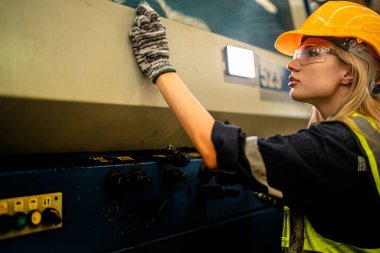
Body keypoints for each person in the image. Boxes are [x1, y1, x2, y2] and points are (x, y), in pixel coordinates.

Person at [129, 1, 380, 252]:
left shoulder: (335, 145)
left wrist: (160, 66)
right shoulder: (367, 133)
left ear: (349, 71)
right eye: (295, 54)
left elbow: (217, 149)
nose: (292, 64)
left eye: (312, 52)